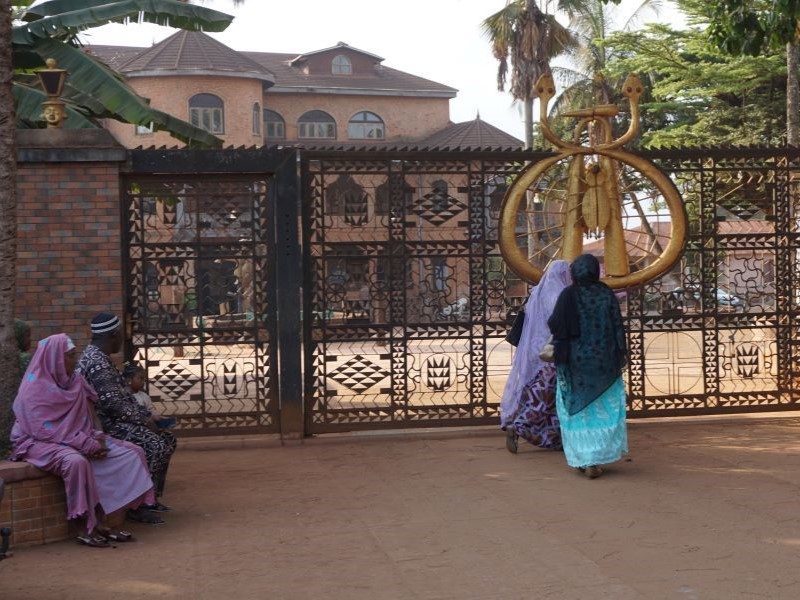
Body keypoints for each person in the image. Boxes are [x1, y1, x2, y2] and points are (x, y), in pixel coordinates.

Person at [9, 334, 155, 547]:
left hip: (79, 437)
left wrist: (98, 438)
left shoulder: (76, 381)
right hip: (37, 443)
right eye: (69, 356)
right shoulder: (34, 388)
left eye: (74, 355)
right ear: (54, 359)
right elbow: (43, 431)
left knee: (131, 453)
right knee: (76, 462)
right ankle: (83, 525)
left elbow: (91, 414)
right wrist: (86, 444)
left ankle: (108, 520)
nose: (74, 360)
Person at [77, 314, 176, 517]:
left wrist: (147, 415)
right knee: (154, 444)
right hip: (103, 426)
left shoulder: (100, 357)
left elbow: (122, 400)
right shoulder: (98, 363)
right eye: (121, 334)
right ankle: (136, 504)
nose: (123, 338)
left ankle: (151, 497)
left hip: (116, 420)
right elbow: (113, 405)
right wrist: (144, 421)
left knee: (167, 439)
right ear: (113, 335)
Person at [547, 254, 628, 479]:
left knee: (577, 410)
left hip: (575, 364)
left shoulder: (568, 294)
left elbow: (555, 324)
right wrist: (620, 352)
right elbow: (617, 326)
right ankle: (597, 457)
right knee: (605, 410)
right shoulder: (605, 293)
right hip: (604, 363)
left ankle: (585, 459)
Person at [500, 260, 572, 453]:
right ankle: (519, 426)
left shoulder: (537, 292)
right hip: (550, 353)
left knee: (542, 393)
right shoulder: (558, 294)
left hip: (535, 350)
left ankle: (557, 438)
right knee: (547, 395)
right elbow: (558, 323)